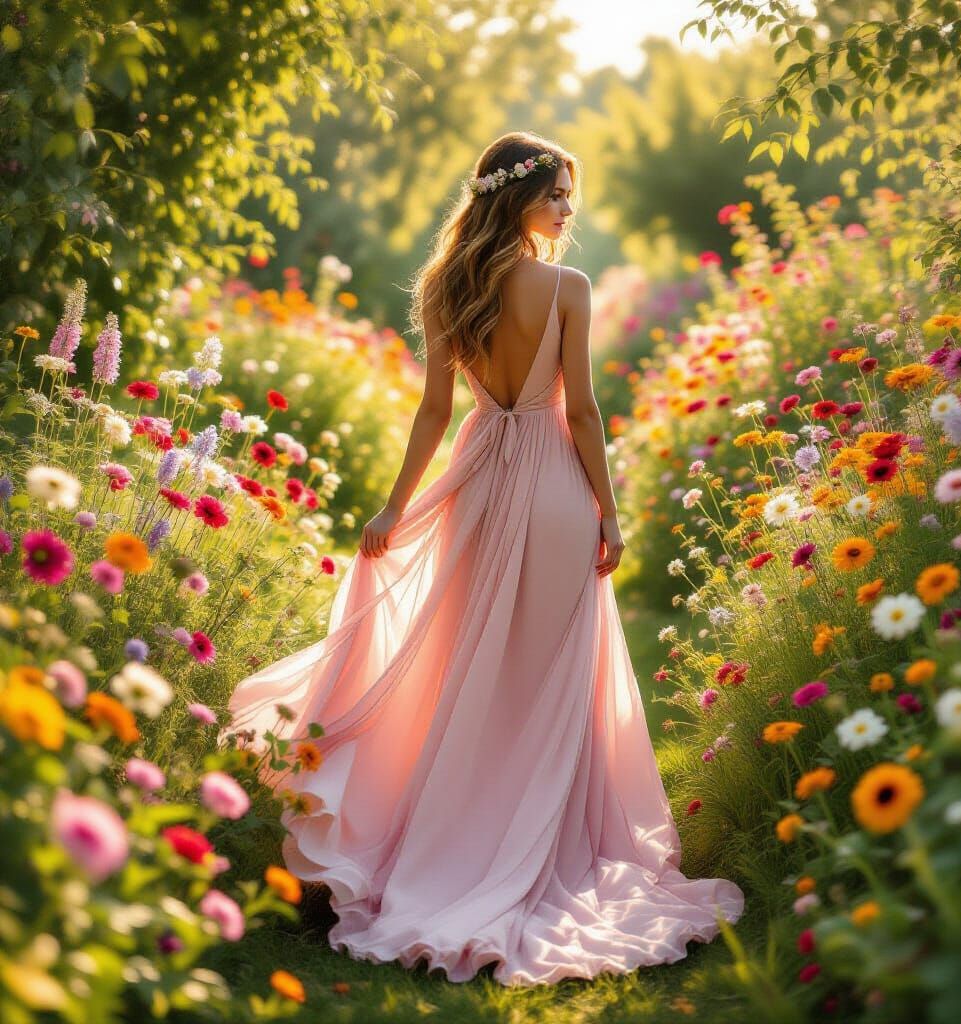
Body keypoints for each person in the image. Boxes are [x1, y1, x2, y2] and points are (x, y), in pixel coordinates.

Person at [223, 130, 744, 986]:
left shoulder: (447, 284)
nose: (568, 211)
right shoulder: (567, 287)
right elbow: (581, 414)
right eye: (557, 196)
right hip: (551, 487)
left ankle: (452, 842)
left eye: (571, 196)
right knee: (547, 679)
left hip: (479, 478)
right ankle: (523, 851)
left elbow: (434, 410)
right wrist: (608, 513)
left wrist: (397, 501)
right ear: (518, 197)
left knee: (468, 672)